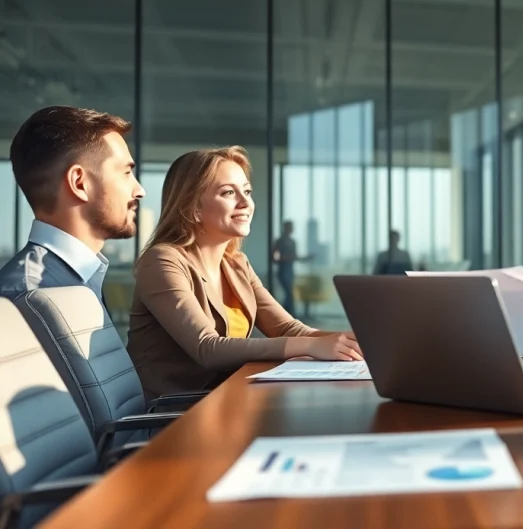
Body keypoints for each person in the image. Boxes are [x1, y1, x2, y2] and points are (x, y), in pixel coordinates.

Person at [126, 146, 361, 400]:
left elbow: (287, 328)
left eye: (247, 191)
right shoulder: (162, 260)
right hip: (175, 415)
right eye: (228, 192)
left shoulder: (236, 264)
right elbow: (208, 348)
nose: (245, 202)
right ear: (193, 206)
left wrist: (358, 343)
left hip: (224, 403)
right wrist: (312, 346)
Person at [0, 106, 145, 302]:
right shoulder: (25, 298)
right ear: (79, 183)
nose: (139, 191)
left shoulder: (77, 279)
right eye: (126, 173)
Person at [271, 220, 306, 315]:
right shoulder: (280, 241)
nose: (291, 229)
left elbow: (295, 257)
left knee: (290, 294)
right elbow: (274, 257)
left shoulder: (292, 242)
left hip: (290, 270)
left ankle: (286, 314)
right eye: (289, 227)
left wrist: (305, 258)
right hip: (283, 270)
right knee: (289, 294)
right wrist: (285, 258)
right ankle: (285, 314)